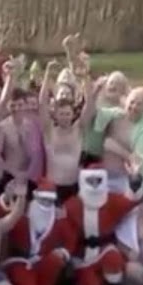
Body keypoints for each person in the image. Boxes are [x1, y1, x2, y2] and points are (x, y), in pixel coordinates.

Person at [60, 167, 140, 285]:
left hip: (104, 249)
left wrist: (136, 185)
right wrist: (68, 253)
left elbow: (129, 202)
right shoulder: (72, 205)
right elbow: (66, 231)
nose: (94, 185)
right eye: (90, 181)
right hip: (81, 254)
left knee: (113, 259)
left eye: (98, 181)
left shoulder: (111, 201)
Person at [0, 180, 72, 285]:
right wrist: (7, 198)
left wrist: (63, 251)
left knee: (55, 261)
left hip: (42, 260)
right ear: (36, 196)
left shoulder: (58, 216)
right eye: (43, 199)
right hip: (19, 261)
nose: (46, 203)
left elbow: (70, 238)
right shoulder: (22, 209)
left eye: (50, 200)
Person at [38, 61, 83, 205]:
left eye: (67, 114)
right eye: (61, 114)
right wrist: (47, 74)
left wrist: (85, 76)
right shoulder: (49, 130)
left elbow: (90, 106)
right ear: (55, 115)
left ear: (73, 114)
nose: (65, 117)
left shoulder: (78, 129)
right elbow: (42, 103)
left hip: (74, 186)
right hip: (52, 186)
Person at [0, 88, 45, 196]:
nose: (17, 109)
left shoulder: (31, 126)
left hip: (28, 175)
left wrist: (28, 174)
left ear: (25, 105)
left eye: (20, 105)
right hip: (10, 174)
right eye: (13, 105)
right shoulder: (3, 127)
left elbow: (35, 154)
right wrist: (14, 172)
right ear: (8, 106)